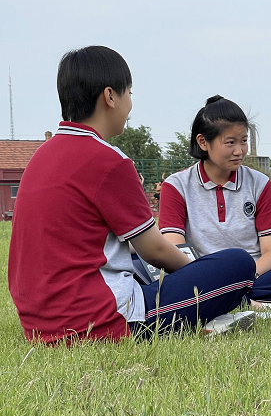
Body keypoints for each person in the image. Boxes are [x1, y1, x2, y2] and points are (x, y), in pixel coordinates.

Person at [8, 46, 257, 343]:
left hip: (39, 323)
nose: (129, 105)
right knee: (238, 266)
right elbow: (156, 251)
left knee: (137, 263)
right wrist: (200, 273)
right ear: (110, 96)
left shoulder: (41, 156)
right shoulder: (108, 160)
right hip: (98, 321)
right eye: (130, 94)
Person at [159, 96, 271, 311]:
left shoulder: (259, 183)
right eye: (230, 142)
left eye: (243, 140)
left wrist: (240, 281)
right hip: (199, 276)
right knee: (145, 274)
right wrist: (211, 282)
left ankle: (226, 301)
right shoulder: (177, 186)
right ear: (203, 142)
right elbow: (176, 249)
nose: (239, 150)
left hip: (254, 274)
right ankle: (257, 304)